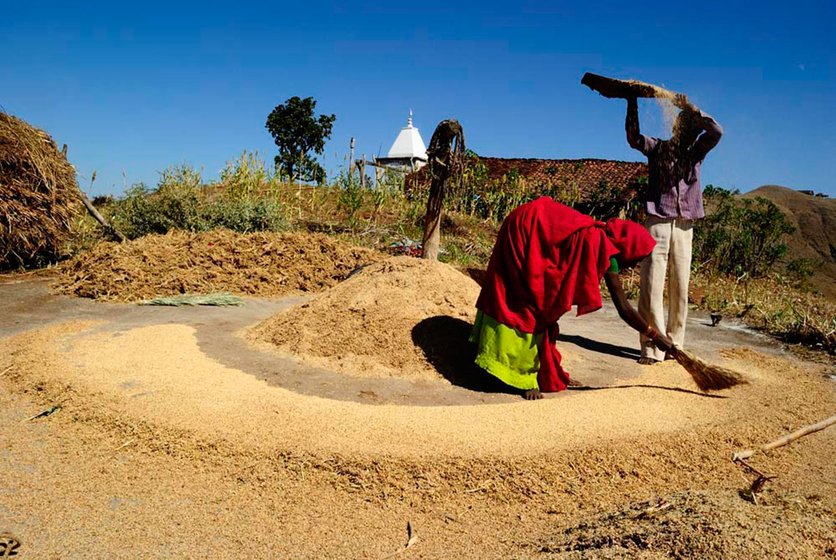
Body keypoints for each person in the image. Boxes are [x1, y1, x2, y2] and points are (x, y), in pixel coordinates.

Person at [470, 196, 678, 400]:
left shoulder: (603, 239)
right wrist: (656, 336)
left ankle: (523, 366)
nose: (632, 266)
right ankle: (521, 377)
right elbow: (623, 308)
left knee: (533, 298)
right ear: (628, 249)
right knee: (527, 300)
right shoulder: (606, 250)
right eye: (635, 260)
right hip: (526, 229)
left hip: (533, 222)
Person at [626, 94, 723, 365]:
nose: (690, 132)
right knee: (652, 283)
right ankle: (651, 346)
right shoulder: (658, 148)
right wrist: (631, 101)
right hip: (658, 219)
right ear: (676, 129)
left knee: (681, 284)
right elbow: (634, 138)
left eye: (693, 127)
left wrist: (693, 109)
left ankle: (674, 344)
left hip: (684, 223)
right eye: (685, 126)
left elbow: (717, 131)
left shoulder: (697, 152)